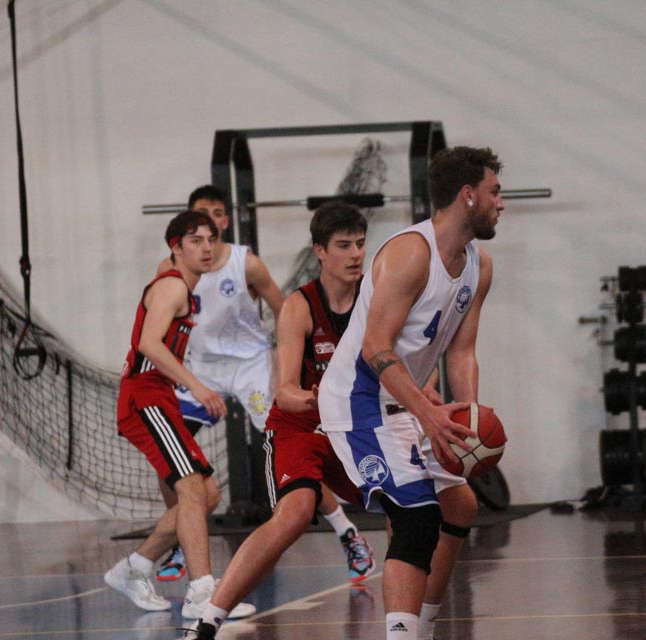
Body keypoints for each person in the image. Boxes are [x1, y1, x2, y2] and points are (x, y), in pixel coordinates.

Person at [318, 146, 504, 640]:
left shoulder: (479, 265)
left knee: (461, 507)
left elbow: (461, 353)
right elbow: (375, 348)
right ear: (468, 195)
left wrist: (467, 419)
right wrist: (427, 413)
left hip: (405, 400)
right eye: (494, 192)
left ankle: (423, 628)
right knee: (417, 517)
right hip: (358, 398)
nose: (501, 203)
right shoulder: (409, 254)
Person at [155, 186, 371, 587]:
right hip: (202, 368)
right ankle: (182, 534)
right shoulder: (170, 269)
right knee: (168, 456)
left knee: (293, 450)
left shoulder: (246, 263)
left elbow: (285, 309)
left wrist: (290, 366)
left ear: (225, 221)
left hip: (250, 366)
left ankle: (346, 531)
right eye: (201, 214)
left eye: (217, 213)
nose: (210, 221)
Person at [103, 209, 255, 620]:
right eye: (195, 241)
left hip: (160, 396)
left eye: (211, 240)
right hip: (144, 396)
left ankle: (135, 567)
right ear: (176, 248)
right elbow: (150, 344)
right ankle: (202, 592)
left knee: (208, 495)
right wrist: (198, 387)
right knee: (190, 488)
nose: (206, 248)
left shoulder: (177, 283)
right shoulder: (171, 286)